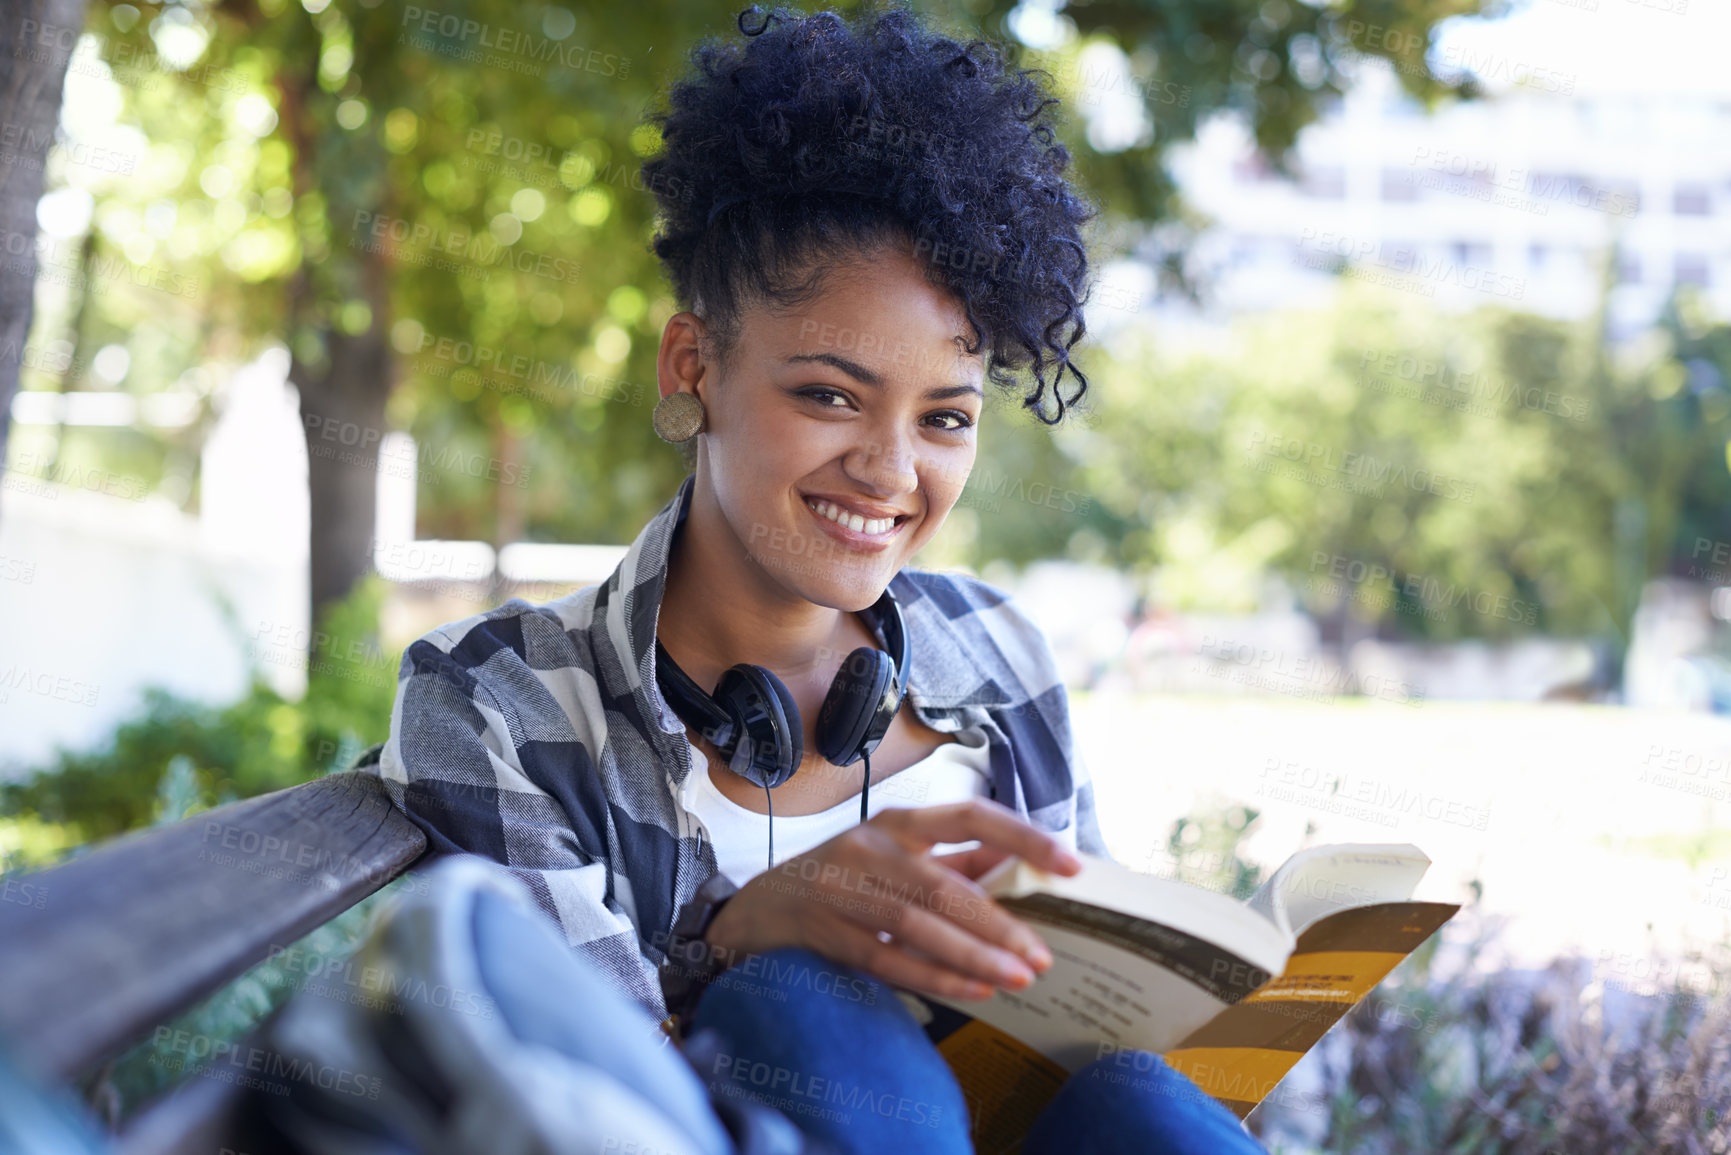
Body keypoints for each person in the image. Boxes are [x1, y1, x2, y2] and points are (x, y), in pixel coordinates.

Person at [362, 5, 1268, 1152]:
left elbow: (1095, 1023)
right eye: (831, 396)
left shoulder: (999, 652)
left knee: (1144, 1101)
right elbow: (582, 1100)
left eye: (945, 418)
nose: (891, 473)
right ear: (695, 365)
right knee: (798, 1009)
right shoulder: (495, 702)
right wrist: (738, 935)